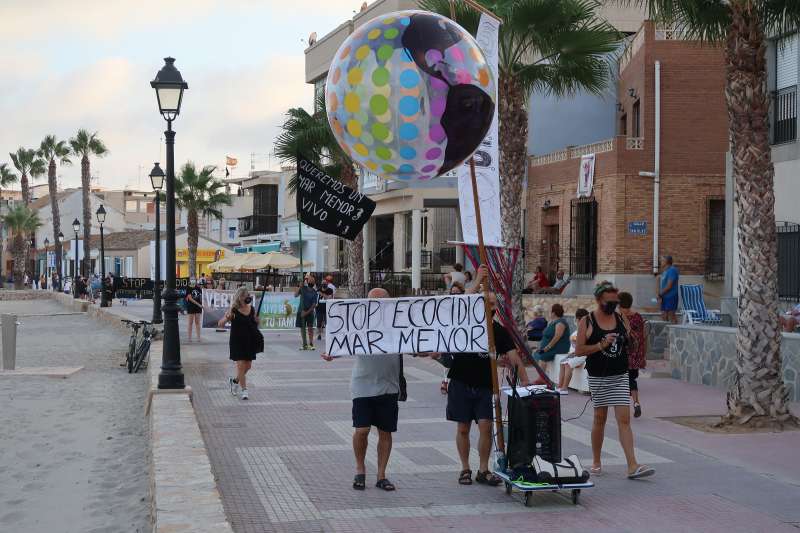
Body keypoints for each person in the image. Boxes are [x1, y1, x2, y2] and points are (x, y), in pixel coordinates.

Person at [428, 268, 529, 487]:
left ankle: (483, 469)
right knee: (462, 428)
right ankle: (465, 467)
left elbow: (514, 358)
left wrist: (527, 383)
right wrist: (479, 280)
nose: (488, 308)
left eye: (492, 305)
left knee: (486, 427)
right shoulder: (465, 322)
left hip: (486, 385)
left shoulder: (500, 332)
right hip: (461, 381)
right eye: (484, 303)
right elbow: (458, 305)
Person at [322, 287, 400, 492]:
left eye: (381, 301)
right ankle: (360, 468)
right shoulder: (360, 322)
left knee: (385, 432)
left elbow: (415, 341)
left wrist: (431, 350)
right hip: (363, 384)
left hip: (389, 385)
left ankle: (381, 475)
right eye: (373, 301)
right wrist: (333, 354)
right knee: (362, 430)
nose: (377, 305)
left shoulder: (399, 323)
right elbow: (346, 342)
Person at [575, 281, 654, 479]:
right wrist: (602, 345)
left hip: (620, 374)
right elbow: (580, 350)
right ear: (599, 300)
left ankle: (632, 465)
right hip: (599, 376)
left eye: (615, 302)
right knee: (599, 418)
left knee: (624, 420)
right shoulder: (587, 321)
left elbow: (632, 342)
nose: (612, 305)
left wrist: (632, 339)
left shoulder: (620, 318)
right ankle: (596, 460)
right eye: (608, 302)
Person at [219, 287, 263, 401]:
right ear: (241, 297)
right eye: (246, 295)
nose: (248, 297)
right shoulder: (233, 310)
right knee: (241, 366)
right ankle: (244, 391)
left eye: (249, 295)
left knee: (248, 366)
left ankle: (234, 381)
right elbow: (220, 324)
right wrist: (226, 319)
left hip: (249, 340)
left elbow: (256, 323)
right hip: (237, 341)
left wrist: (258, 321)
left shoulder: (252, 309)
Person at [619, 292, 646, 418]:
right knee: (632, 380)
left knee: (622, 382)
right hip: (636, 354)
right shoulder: (638, 316)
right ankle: (636, 403)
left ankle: (623, 409)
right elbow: (642, 336)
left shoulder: (619, 317)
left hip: (622, 355)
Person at [558, 308, 590, 393]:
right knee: (562, 363)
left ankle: (564, 388)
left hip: (582, 354)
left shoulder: (586, 330)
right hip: (575, 353)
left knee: (568, 364)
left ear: (579, 319)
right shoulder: (578, 329)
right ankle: (559, 386)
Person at [534, 304, 571, 375]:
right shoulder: (552, 322)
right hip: (550, 347)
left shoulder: (560, 322)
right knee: (535, 354)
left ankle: (541, 377)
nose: (549, 313)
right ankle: (542, 376)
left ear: (553, 313)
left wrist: (547, 348)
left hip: (558, 347)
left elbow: (557, 336)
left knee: (542, 356)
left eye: (550, 311)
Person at [295, 275, 318, 350]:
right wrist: (300, 287)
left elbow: (314, 305)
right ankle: (304, 343)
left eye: (312, 281)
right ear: (307, 282)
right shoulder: (303, 288)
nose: (311, 282)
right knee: (302, 328)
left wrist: (306, 313)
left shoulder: (315, 293)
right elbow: (295, 295)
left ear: (314, 283)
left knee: (310, 328)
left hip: (309, 313)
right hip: (301, 311)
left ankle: (311, 343)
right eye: (309, 280)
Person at [658, 255, 679, 323]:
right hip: (664, 296)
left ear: (667, 261)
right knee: (664, 315)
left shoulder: (672, 270)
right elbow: (662, 285)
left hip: (671, 296)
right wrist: (660, 296)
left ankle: (675, 331)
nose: (660, 262)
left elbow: (669, 286)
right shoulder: (665, 272)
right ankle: (666, 332)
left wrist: (660, 294)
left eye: (662, 260)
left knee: (671, 315)